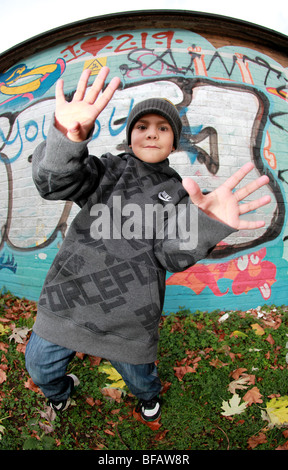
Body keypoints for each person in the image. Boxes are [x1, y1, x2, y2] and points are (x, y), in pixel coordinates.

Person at [25, 66, 271, 422]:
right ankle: (61, 392)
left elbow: (171, 255)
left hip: (130, 320)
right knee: (40, 369)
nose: (151, 134)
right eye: (142, 126)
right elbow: (54, 184)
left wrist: (207, 223)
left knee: (140, 379)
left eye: (162, 128)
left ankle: (148, 397)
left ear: (174, 142)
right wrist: (66, 138)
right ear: (130, 137)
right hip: (68, 303)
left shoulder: (178, 194)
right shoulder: (107, 171)